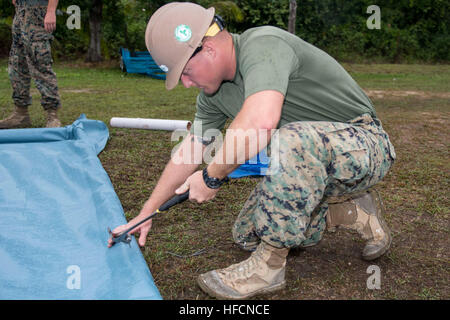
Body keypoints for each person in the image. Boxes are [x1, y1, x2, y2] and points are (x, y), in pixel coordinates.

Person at [109, 2, 396, 299]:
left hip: (365, 145)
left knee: (290, 140)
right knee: (247, 234)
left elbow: (260, 122)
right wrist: (145, 215)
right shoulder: (213, 95)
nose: (185, 83)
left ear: (208, 48)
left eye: (185, 71)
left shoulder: (264, 45)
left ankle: (267, 270)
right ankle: (350, 211)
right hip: (310, 162)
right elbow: (190, 151)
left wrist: (211, 178)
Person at [0, 0, 62, 129]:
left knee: (41, 64)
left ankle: (52, 116)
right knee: (17, 65)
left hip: (38, 11)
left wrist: (50, 11)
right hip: (21, 12)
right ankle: (20, 114)